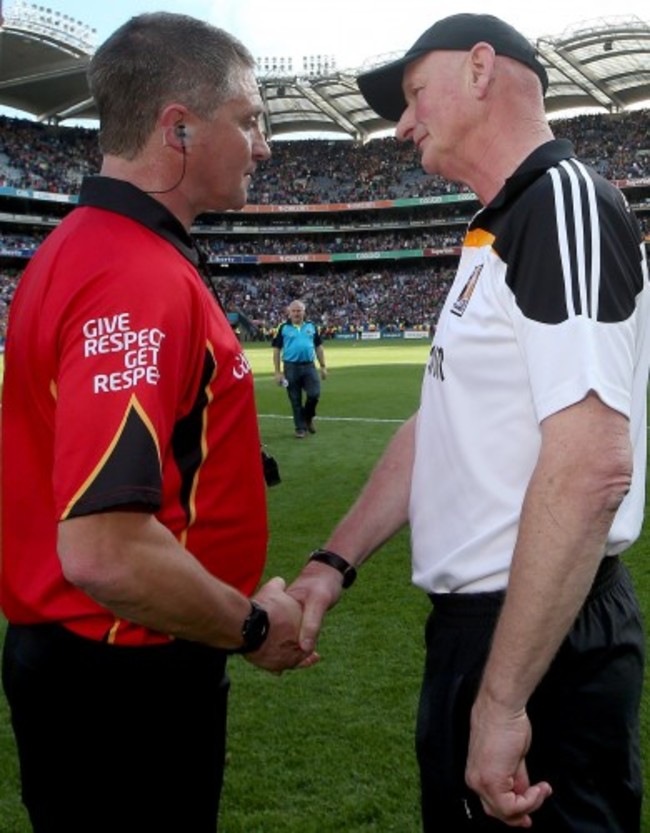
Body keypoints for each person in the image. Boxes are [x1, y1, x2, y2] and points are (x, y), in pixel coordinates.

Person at [288, 12, 650, 833]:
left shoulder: (561, 205)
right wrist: (330, 563)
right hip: (487, 636)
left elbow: (594, 464)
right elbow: (438, 424)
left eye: (415, 94)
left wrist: (503, 697)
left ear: (482, 69)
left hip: (539, 641)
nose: (403, 122)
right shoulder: (493, 229)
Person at [0, 13, 316, 833]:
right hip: (123, 681)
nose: (265, 146)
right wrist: (251, 625)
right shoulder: (132, 276)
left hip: (93, 672)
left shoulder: (88, 249)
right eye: (249, 121)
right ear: (178, 128)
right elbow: (103, 549)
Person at [272, 299, 327, 438]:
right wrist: (277, 372)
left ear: (304, 312)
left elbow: (319, 347)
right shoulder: (283, 327)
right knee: (295, 399)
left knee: (314, 394)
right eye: (294, 311)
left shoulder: (311, 326)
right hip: (291, 367)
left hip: (309, 366)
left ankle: (307, 417)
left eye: (299, 310)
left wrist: (323, 366)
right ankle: (300, 428)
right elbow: (277, 350)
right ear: (289, 312)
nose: (296, 313)